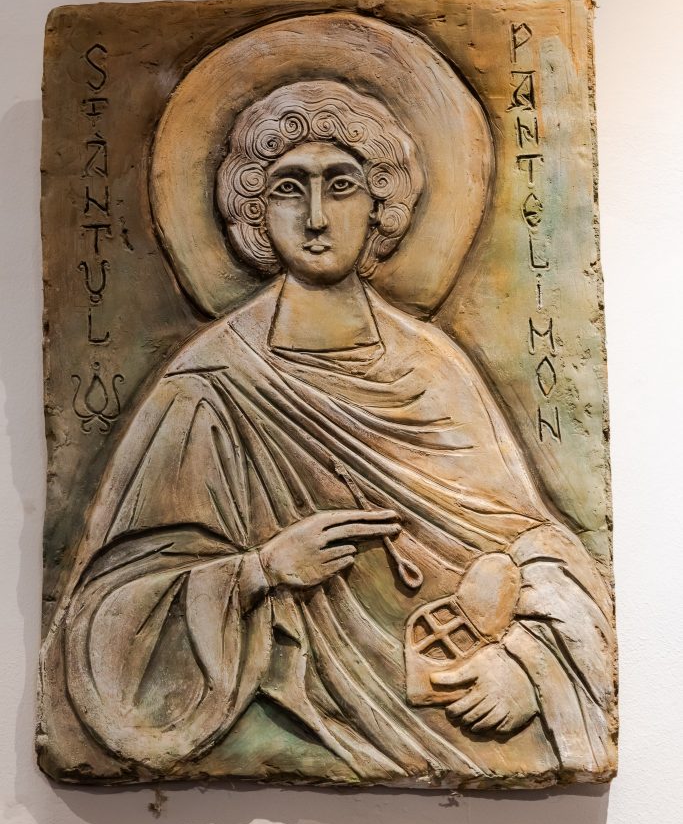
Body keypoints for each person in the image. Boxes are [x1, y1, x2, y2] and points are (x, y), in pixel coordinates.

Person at [40, 81, 616, 785]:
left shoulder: (435, 370)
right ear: (254, 212)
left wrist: (528, 665)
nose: (316, 217)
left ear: (381, 205)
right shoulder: (207, 384)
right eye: (289, 189)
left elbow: (538, 543)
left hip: (451, 712)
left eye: (340, 186)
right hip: (318, 714)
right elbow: (105, 616)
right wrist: (262, 570)